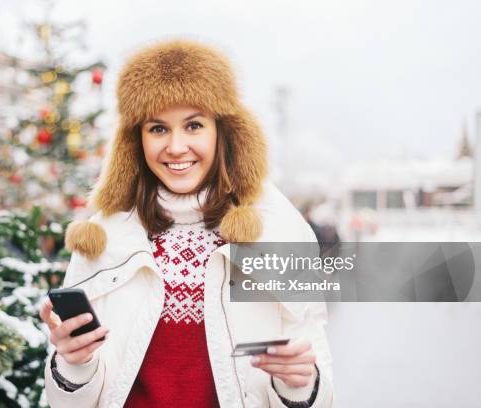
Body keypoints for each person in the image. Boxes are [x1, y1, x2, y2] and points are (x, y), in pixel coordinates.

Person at [40, 39, 333, 408]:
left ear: (222, 131)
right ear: (136, 140)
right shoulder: (103, 238)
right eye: (158, 129)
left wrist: (297, 384)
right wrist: (74, 364)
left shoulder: (279, 229)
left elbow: (321, 392)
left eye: (193, 125)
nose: (176, 147)